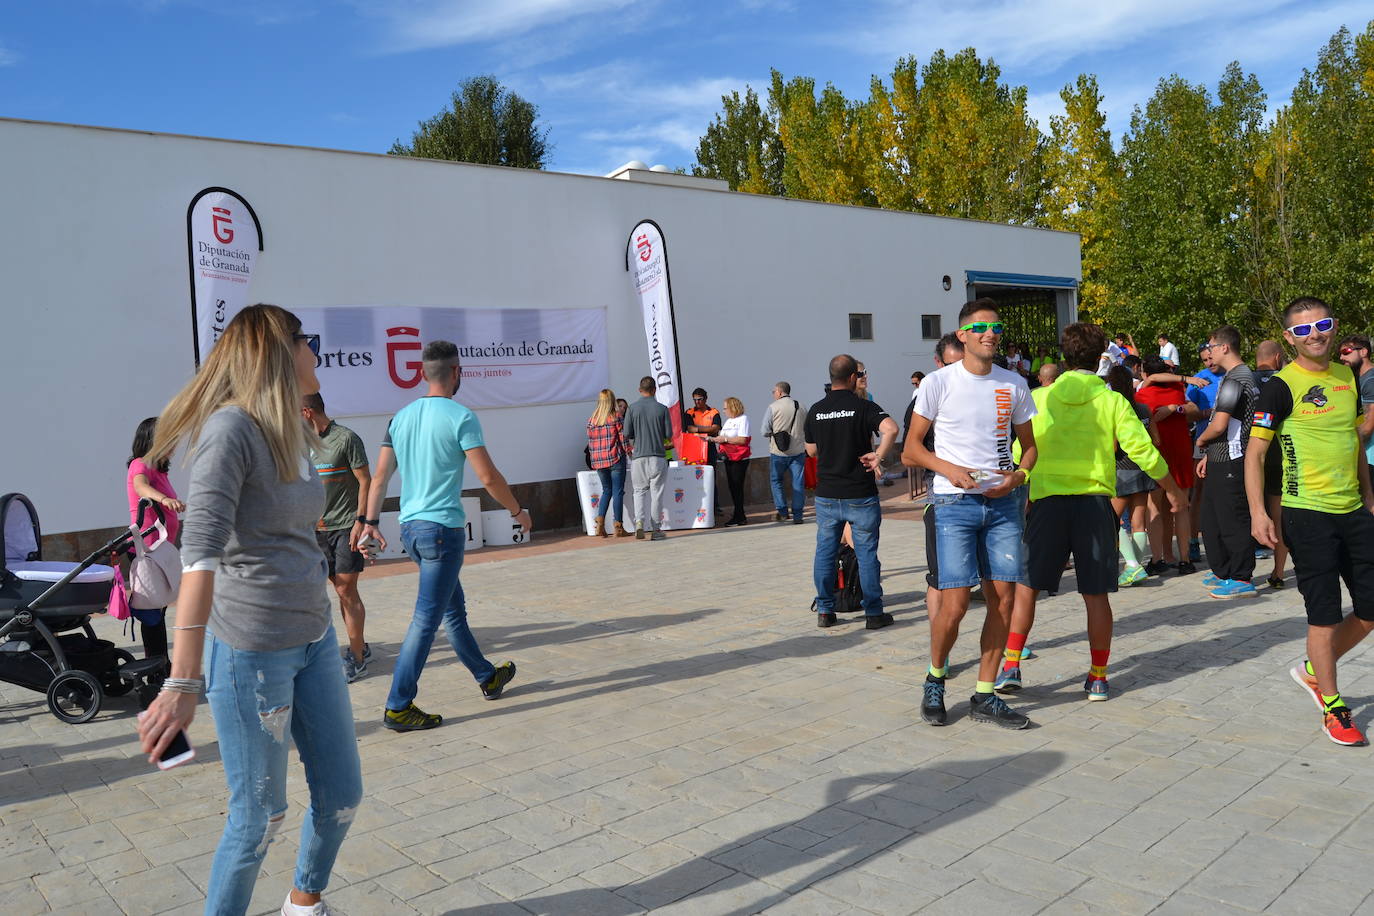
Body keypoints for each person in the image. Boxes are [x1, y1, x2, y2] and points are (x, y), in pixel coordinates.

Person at [136, 305, 362, 916]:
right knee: (258, 817)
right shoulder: (230, 431)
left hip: (313, 640)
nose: (317, 353)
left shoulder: (290, 426)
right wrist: (183, 681)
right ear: (279, 352)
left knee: (342, 794)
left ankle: (303, 904)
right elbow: (198, 559)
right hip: (251, 653)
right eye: (307, 342)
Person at [995, 322, 1187, 701]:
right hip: (1095, 504)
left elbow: (1020, 455)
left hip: (1047, 504)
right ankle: (1098, 676)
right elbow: (1143, 449)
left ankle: (1012, 664)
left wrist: (1008, 483)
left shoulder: (1040, 397)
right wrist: (1174, 490)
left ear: (1064, 356)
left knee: (1028, 589)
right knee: (1096, 595)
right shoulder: (1113, 399)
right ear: (1100, 356)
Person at [357, 340, 527, 732]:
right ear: (456, 373)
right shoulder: (461, 416)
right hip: (441, 532)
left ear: (421, 373)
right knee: (426, 621)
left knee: (452, 611)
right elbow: (487, 477)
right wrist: (518, 511)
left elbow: (380, 478)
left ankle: (487, 676)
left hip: (411, 529)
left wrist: (370, 522)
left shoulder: (398, 418)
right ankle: (398, 705)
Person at [1247, 297, 1374, 747]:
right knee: (1322, 616)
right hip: (1306, 513)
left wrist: (1370, 496)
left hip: (1354, 509)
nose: (1314, 334)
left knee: (1370, 610)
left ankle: (1312, 670)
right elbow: (1256, 453)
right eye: (1303, 329)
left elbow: (1355, 440)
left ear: (1334, 326)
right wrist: (1260, 512)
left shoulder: (1347, 377)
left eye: (1321, 325)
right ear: (1289, 338)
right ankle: (1334, 705)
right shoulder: (1279, 386)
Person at [905, 299, 1038, 729]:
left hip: (1002, 504)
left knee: (1004, 599)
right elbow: (911, 450)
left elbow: (1030, 448)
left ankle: (985, 695)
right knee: (956, 603)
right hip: (953, 502)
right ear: (962, 335)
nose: (990, 333)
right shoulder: (938, 383)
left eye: (996, 328)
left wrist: (1017, 478)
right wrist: (950, 470)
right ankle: (936, 677)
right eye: (980, 327)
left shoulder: (1014, 384)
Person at [806, 354, 898, 630]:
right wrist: (878, 455)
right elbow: (891, 428)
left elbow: (811, 450)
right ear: (852, 377)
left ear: (831, 377)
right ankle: (873, 613)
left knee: (825, 551)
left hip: (827, 493)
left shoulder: (816, 410)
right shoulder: (863, 406)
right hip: (860, 493)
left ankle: (825, 610)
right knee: (866, 552)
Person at [301, 393, 373, 682]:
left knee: (346, 591)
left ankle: (356, 658)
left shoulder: (346, 439)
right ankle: (360, 644)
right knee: (326, 593)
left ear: (306, 412)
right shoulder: (300, 444)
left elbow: (366, 481)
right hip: (312, 531)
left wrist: (361, 521)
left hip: (345, 527)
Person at [1194, 326, 1259, 597]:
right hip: (1220, 457)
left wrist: (1201, 442)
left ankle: (1242, 578)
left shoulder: (1237, 378)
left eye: (1211, 346)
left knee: (1232, 520)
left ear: (1224, 347)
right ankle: (1223, 571)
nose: (1208, 351)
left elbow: (1220, 425)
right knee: (1211, 518)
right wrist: (1210, 455)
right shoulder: (1236, 376)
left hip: (1234, 459)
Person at [1135, 355, 1201, 572]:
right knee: (1181, 505)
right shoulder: (1177, 392)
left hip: (1155, 455)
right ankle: (1185, 560)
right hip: (1180, 451)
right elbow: (1195, 412)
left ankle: (1157, 559)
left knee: (1154, 507)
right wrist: (1175, 407)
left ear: (1145, 374)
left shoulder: (1142, 394)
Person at [124, 417, 182, 660]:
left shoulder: (158, 470)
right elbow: (140, 486)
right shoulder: (141, 464)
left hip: (159, 549)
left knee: (158, 609)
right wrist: (164, 499)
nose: (174, 445)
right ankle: (157, 666)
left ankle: (159, 663)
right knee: (152, 612)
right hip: (146, 550)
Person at [1102, 366, 1159, 587]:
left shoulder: (1115, 408)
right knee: (1138, 523)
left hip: (1121, 469)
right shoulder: (1144, 409)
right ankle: (1134, 567)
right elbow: (1156, 440)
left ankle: (1133, 565)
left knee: (1110, 521)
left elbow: (1113, 445)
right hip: (1143, 469)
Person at [1185, 342, 1225, 562]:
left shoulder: (1233, 373)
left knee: (1226, 493)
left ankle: (1227, 541)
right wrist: (1204, 413)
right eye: (1205, 360)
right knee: (1199, 493)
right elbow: (1187, 413)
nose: (1209, 363)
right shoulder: (1198, 379)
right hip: (1204, 443)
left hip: (1231, 442)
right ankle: (1193, 541)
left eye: (1211, 358)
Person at [1254, 339, 1289, 588]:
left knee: (1252, 513)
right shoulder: (1286, 380)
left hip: (1252, 456)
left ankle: (1241, 573)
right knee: (1279, 518)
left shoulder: (1246, 379)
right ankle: (1278, 573)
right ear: (1278, 357)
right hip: (1281, 456)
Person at [624, 376, 673, 540]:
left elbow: (626, 434)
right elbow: (668, 434)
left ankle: (639, 523)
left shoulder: (632, 408)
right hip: (658, 456)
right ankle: (656, 530)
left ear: (640, 390)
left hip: (638, 457)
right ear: (654, 390)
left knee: (638, 492)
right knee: (656, 494)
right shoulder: (662, 408)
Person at [586, 389, 630, 538]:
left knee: (606, 491)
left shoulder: (592, 419)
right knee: (617, 491)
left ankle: (600, 523)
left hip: (598, 461)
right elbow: (623, 438)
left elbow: (590, 443)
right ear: (612, 400)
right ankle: (618, 526)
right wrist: (629, 451)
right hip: (615, 458)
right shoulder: (615, 417)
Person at [763, 381, 807, 523]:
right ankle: (798, 515)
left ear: (780, 392)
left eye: (773, 391)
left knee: (776, 480)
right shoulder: (801, 406)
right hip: (798, 451)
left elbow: (764, 431)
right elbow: (807, 428)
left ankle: (782, 511)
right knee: (798, 482)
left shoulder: (772, 407)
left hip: (778, 452)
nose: (773, 394)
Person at [1337, 333, 1374, 479]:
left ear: (1364, 352)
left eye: (1346, 352)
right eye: (1340, 353)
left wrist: (1346, 451)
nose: (1341, 358)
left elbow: (1369, 425)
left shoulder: (1371, 380)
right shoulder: (1360, 379)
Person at [712, 397, 752, 526]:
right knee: (732, 487)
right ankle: (739, 514)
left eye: (725, 408)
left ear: (732, 407)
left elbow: (742, 440)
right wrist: (714, 439)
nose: (724, 411)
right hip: (729, 457)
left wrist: (724, 439)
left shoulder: (743, 419)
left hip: (739, 458)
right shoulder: (729, 421)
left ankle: (739, 515)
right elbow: (725, 437)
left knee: (737, 487)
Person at [685, 387, 723, 518]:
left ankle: (714, 506)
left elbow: (716, 429)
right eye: (695, 400)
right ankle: (695, 504)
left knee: (710, 476)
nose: (697, 402)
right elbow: (689, 428)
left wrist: (698, 429)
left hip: (710, 447)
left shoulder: (714, 412)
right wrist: (707, 429)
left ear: (706, 398)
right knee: (693, 477)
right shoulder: (689, 412)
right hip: (694, 448)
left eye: (700, 399)